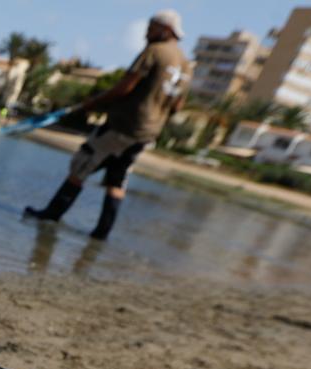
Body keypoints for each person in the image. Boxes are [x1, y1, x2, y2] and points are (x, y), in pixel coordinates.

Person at [24, 10, 191, 240]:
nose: (146, 32)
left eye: (151, 27)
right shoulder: (185, 63)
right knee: (118, 177)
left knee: (82, 164)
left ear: (165, 29)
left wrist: (91, 103)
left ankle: (51, 216)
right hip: (148, 133)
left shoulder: (154, 51)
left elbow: (124, 87)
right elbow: (178, 105)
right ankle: (101, 234)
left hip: (124, 125)